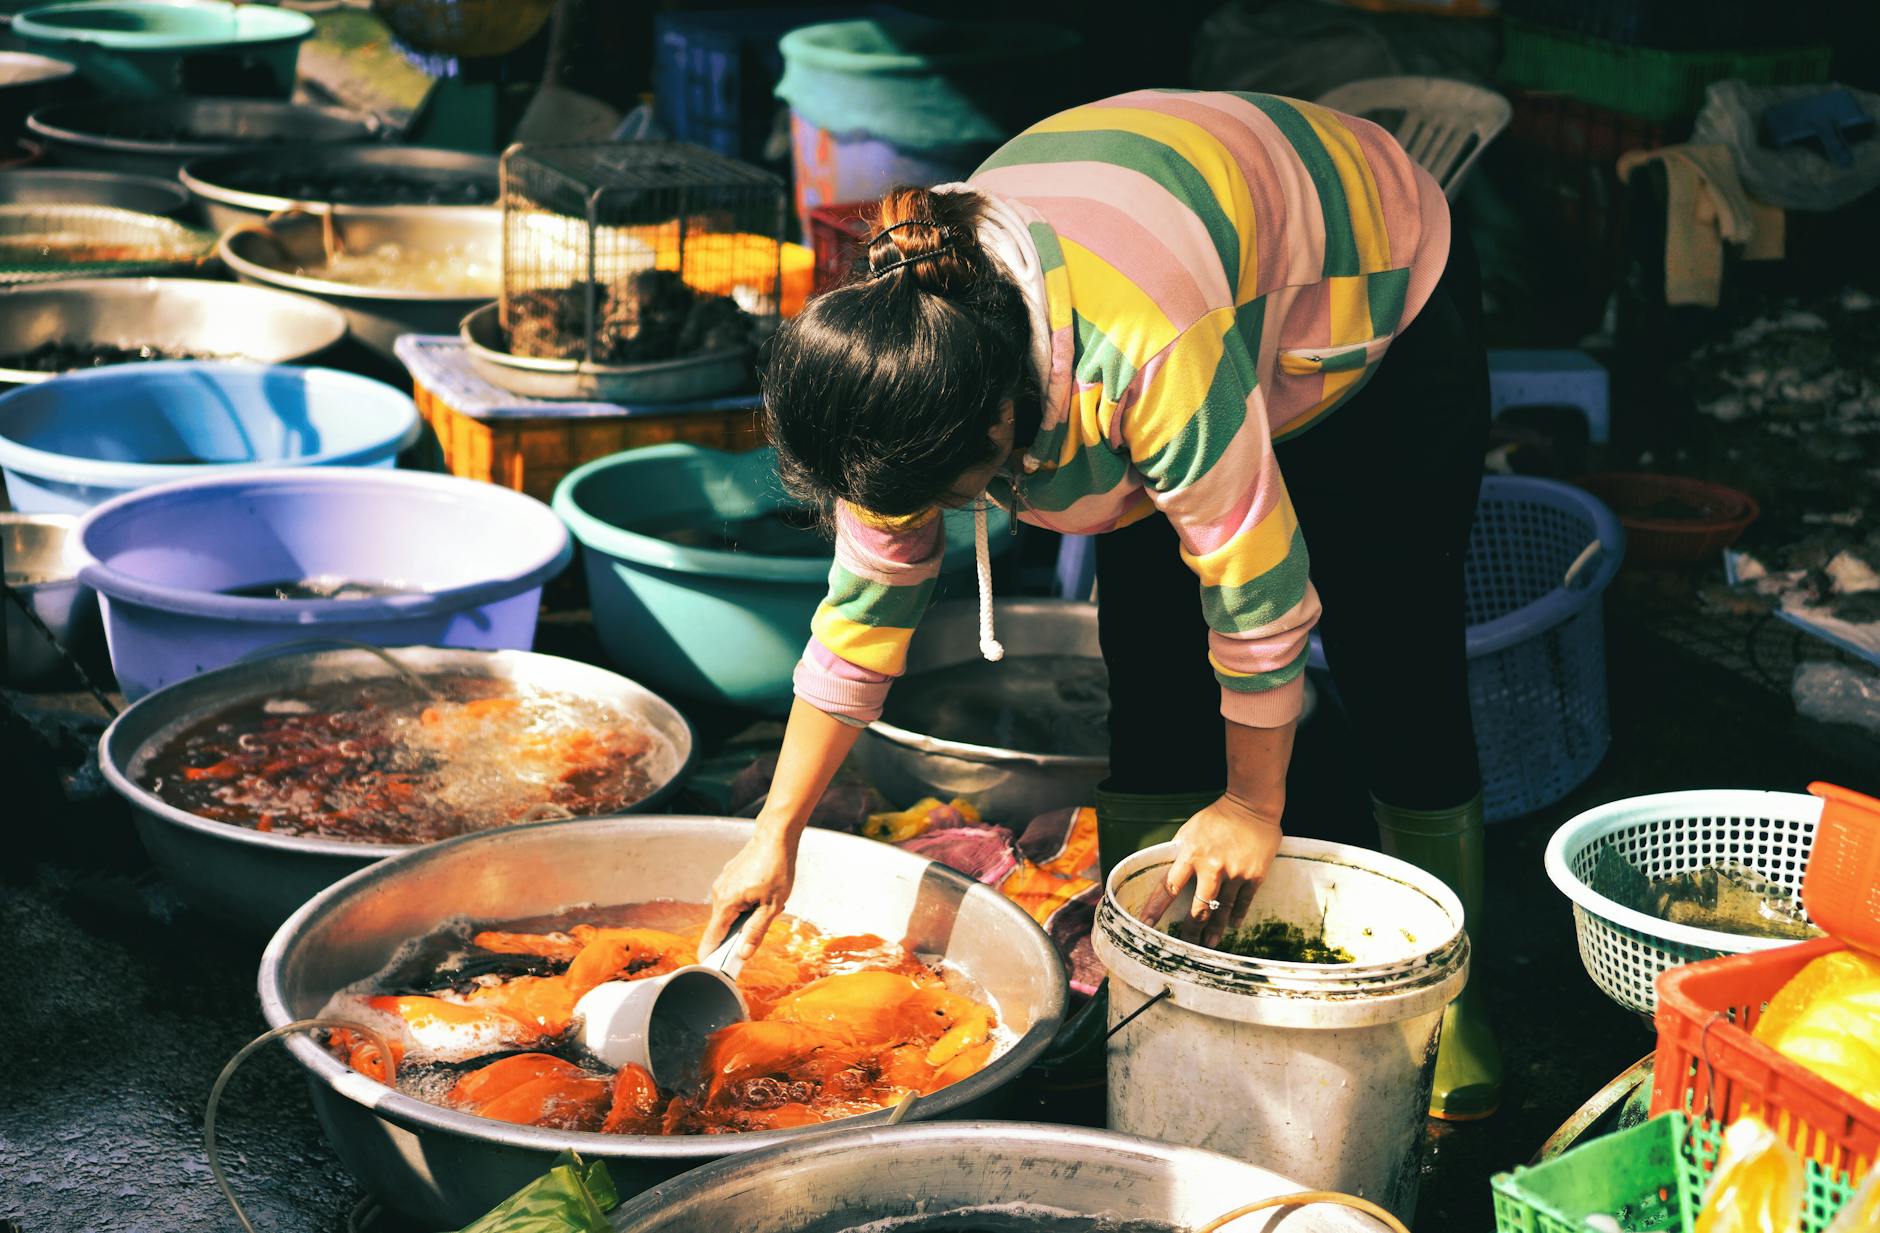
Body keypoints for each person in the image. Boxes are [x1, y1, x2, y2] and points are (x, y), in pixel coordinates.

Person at [699, 89, 1501, 1119]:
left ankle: (1450, 1002)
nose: (957, 517)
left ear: (1004, 420)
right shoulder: (896, 358)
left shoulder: (1144, 351)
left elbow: (1256, 589)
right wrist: (777, 830)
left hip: (1365, 285)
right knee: (1149, 653)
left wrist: (1255, 805)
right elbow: (865, 607)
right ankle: (1143, 990)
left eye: (964, 494)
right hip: (1188, 270)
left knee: (1396, 647)